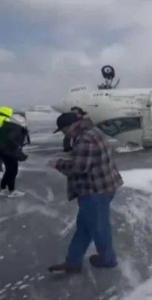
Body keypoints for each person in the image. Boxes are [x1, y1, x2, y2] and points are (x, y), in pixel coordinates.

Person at [48, 112, 123, 273]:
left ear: (71, 127)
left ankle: (108, 260)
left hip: (95, 191)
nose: (64, 134)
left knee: (99, 228)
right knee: (84, 227)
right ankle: (73, 262)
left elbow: (80, 168)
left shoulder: (85, 139)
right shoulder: (92, 132)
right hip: (101, 186)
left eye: (63, 131)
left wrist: (58, 164)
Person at [0, 113, 30, 197]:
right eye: (24, 117)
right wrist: (18, 145)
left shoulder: (7, 126)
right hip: (9, 152)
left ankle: (2, 189)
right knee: (13, 171)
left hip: (3, 151)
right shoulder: (16, 128)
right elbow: (11, 138)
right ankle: (11, 191)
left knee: (9, 170)